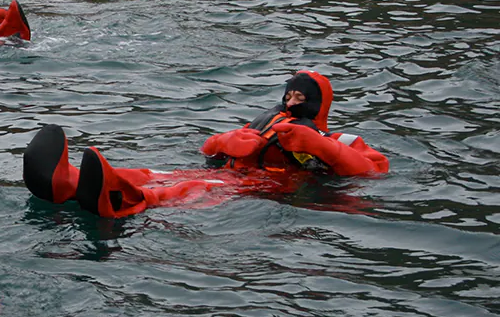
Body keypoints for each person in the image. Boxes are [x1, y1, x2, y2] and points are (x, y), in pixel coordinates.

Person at [23, 70, 390, 217]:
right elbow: (208, 149)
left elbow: (374, 170)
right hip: (233, 175)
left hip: (265, 190)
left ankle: (124, 201)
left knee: (192, 186)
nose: (293, 103)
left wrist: (321, 146)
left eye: (302, 98)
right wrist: (224, 140)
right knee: (155, 172)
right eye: (289, 95)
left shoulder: (339, 138)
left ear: (318, 105)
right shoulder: (266, 121)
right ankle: (69, 182)